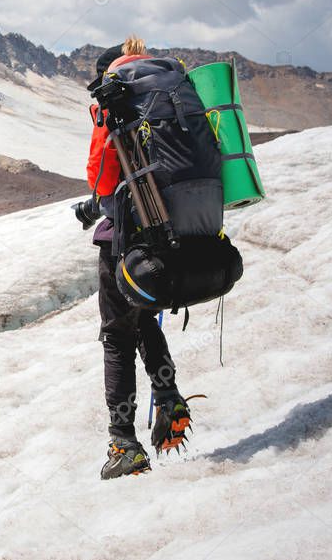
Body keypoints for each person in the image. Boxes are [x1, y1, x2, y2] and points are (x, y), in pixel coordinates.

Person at [85, 35, 192, 479]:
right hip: (172, 235)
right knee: (143, 318)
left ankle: (124, 444)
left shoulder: (115, 97)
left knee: (116, 336)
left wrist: (97, 204)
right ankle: (168, 398)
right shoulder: (169, 95)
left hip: (125, 243)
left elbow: (102, 174)